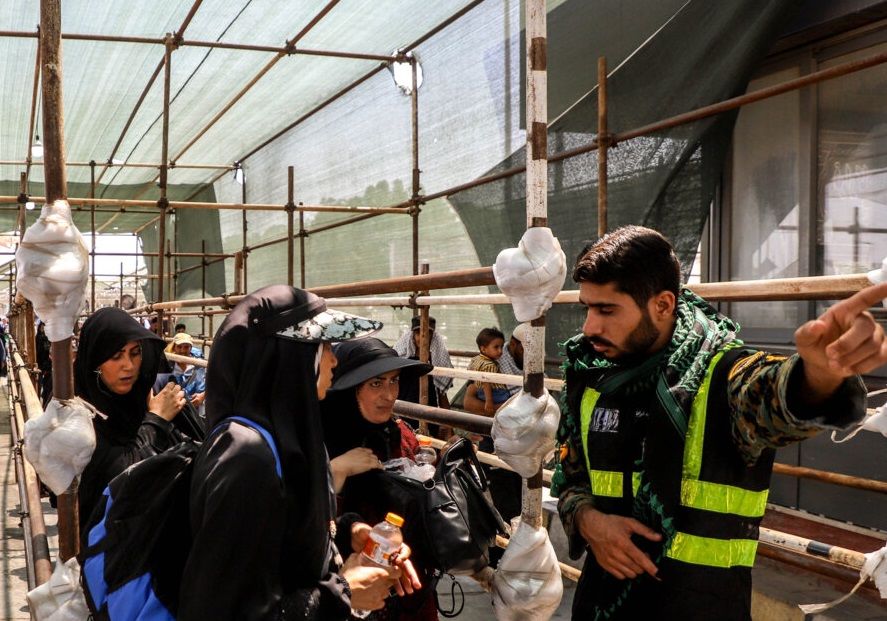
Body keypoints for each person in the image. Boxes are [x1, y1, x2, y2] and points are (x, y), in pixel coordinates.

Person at [551, 225, 887, 620]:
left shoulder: (721, 375)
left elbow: (770, 392)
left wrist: (819, 375)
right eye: (587, 308)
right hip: (600, 605)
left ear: (662, 305)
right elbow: (571, 478)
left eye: (607, 310)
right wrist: (589, 520)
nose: (590, 327)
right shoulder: (592, 376)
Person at [180, 286, 418, 620]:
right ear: (291, 357)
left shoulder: (289, 438)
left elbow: (285, 538)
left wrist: (352, 534)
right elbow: (219, 610)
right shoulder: (246, 456)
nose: (334, 359)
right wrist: (343, 594)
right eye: (323, 347)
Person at [322, 337, 440, 621]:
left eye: (394, 381)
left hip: (411, 587)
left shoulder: (402, 435)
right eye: (376, 383)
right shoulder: (316, 445)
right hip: (351, 593)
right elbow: (311, 531)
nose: (389, 395)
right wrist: (335, 472)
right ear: (350, 390)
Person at [74, 307, 187, 524]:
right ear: (96, 362)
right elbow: (121, 479)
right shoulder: (79, 414)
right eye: (116, 356)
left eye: (135, 353)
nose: (129, 366)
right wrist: (156, 420)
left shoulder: (142, 396)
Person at [393, 315, 453, 408]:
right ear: (412, 335)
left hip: (429, 405)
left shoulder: (436, 358)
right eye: (418, 333)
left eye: (427, 333)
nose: (422, 337)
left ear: (433, 336)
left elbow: (441, 393)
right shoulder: (403, 356)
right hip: (404, 404)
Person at [467, 327, 510, 415]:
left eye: (501, 347)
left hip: (480, 392)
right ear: (483, 349)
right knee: (511, 403)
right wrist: (489, 401)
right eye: (496, 347)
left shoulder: (476, 359)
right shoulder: (489, 365)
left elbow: (469, 370)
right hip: (493, 394)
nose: (500, 351)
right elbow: (487, 384)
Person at [35, 321, 52, 406]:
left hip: (47, 365)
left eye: (44, 327)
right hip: (40, 363)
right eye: (42, 327)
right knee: (39, 382)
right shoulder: (38, 338)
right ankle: (37, 401)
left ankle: (44, 403)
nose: (43, 329)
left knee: (46, 385)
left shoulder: (48, 339)